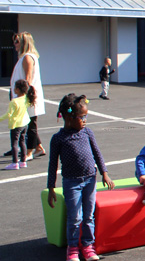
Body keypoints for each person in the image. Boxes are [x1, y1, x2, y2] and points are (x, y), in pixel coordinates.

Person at [46, 93, 115, 261]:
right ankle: (73, 248)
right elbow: (53, 165)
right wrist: (51, 188)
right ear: (69, 117)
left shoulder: (87, 133)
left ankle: (88, 246)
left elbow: (97, 154)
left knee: (88, 216)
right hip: (71, 182)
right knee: (75, 217)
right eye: (82, 117)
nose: (85, 120)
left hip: (90, 179)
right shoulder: (58, 139)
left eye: (86, 116)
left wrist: (104, 173)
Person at [10, 32, 46, 160]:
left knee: (30, 124)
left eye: (17, 41)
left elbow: (27, 79)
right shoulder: (24, 57)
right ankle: (38, 147)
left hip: (26, 97)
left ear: (24, 43)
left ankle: (29, 151)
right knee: (28, 123)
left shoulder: (27, 57)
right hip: (22, 96)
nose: (14, 44)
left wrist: (22, 98)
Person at [3, 79, 35, 170]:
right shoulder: (26, 98)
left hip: (16, 125)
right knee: (22, 141)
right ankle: (23, 161)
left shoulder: (14, 101)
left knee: (14, 144)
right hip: (25, 123)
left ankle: (15, 163)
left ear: (17, 89)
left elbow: (9, 114)